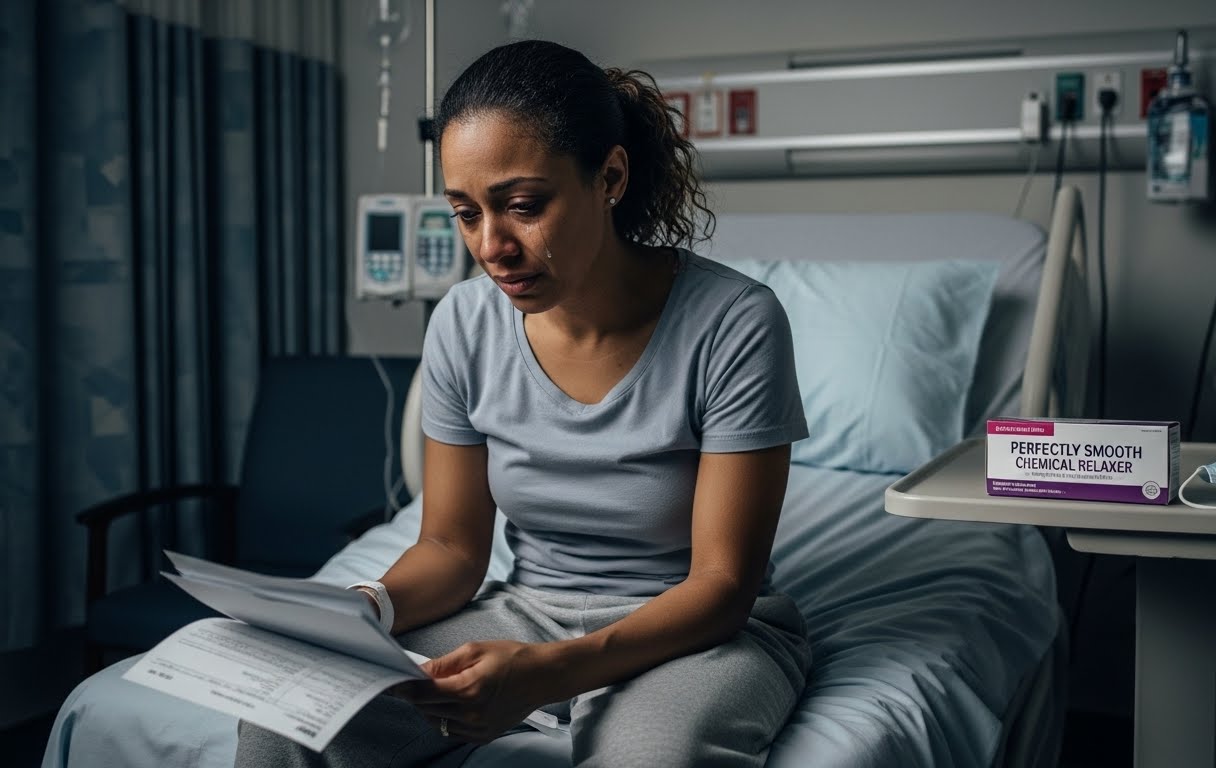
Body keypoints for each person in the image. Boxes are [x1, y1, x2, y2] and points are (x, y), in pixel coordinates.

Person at [236, 38, 810, 768]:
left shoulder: (733, 322)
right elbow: (450, 548)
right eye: (466, 213)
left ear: (609, 176)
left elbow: (722, 586)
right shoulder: (465, 323)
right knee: (288, 721)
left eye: (522, 206)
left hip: (692, 635)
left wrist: (548, 674)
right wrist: (364, 608)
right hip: (526, 610)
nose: (492, 245)